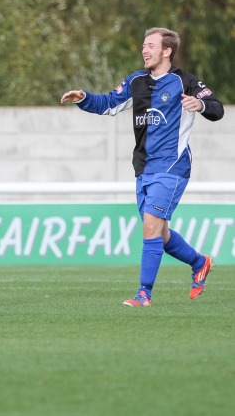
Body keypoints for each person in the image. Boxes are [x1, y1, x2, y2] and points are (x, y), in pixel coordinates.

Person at [60, 27, 224, 307]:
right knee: (160, 233)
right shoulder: (136, 81)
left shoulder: (185, 81)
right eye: (143, 45)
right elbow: (110, 103)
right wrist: (84, 98)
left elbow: (217, 107)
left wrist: (199, 103)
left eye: (150, 45)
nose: (144, 50)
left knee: (150, 225)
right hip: (144, 169)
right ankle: (200, 262)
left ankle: (144, 294)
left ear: (166, 51)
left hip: (172, 167)